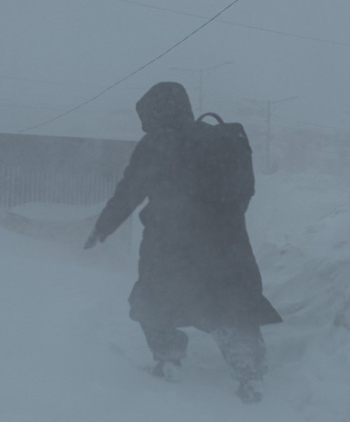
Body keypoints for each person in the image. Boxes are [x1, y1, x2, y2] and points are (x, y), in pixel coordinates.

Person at [84, 82, 282, 403]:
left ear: (154, 112)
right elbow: (245, 190)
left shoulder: (155, 144)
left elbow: (128, 193)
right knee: (230, 307)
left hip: (168, 244)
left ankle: (169, 360)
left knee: (152, 302)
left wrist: (102, 228)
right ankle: (251, 376)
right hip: (225, 243)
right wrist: (222, 221)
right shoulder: (222, 139)